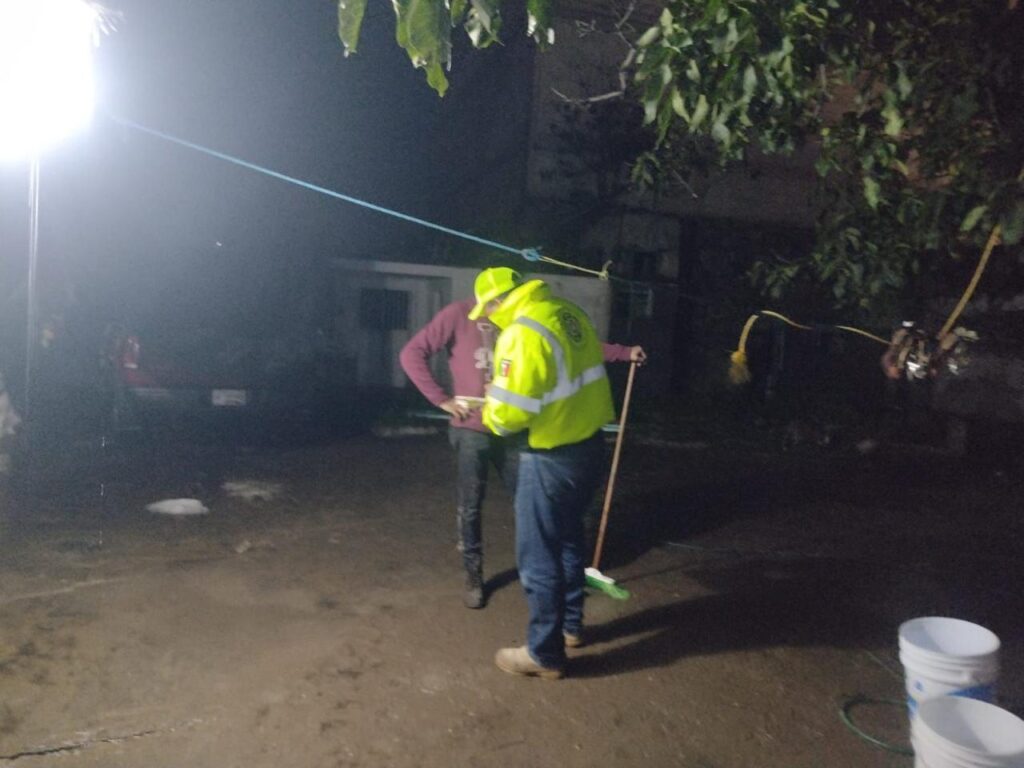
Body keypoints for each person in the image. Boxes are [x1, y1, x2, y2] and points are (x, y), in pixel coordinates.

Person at [399, 268, 644, 610]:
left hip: (515, 430)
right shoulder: (457, 315)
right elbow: (411, 353)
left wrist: (622, 352)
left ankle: (546, 575)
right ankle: (473, 575)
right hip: (472, 429)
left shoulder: (524, 318)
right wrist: (442, 400)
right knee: (470, 505)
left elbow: (573, 345)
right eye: (488, 307)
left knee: (531, 505)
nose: (491, 312)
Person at [474, 267, 616, 679]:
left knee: (538, 556)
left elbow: (509, 414)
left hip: (550, 456)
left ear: (498, 301)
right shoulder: (567, 313)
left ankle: (544, 654)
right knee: (569, 540)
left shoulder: (522, 333)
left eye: (487, 310)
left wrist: (490, 408)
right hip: (589, 447)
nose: (488, 318)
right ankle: (571, 627)